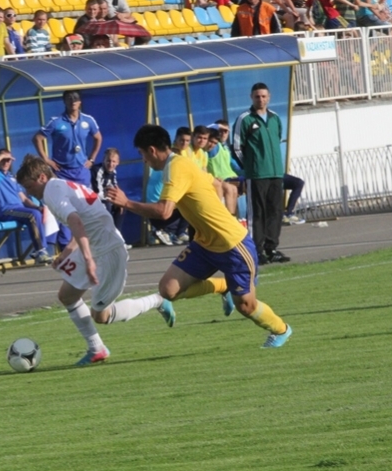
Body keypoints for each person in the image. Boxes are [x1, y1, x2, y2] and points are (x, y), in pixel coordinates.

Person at [107, 124, 292, 349]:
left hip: (232, 244)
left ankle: (281, 329)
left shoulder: (177, 167)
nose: (144, 160)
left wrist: (126, 203)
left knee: (246, 306)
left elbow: (164, 211)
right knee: (168, 289)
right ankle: (223, 286)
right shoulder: (179, 164)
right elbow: (211, 186)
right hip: (205, 244)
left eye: (142, 154)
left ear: (152, 150)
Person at [16, 155, 177, 366]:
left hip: (108, 251)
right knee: (67, 296)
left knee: (101, 316)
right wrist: (67, 252)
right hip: (94, 246)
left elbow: (75, 221)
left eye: (29, 186)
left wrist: (87, 258)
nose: (28, 192)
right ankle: (97, 349)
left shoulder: (51, 191)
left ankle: (157, 300)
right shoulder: (60, 185)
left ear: (42, 178)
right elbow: (83, 221)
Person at [232, 82, 290, 265]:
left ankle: (271, 248)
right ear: (251, 97)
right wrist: (250, 166)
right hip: (257, 175)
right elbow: (236, 148)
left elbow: (277, 139)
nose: (261, 99)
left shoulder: (275, 118)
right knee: (257, 213)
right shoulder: (245, 119)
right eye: (257, 96)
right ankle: (255, 251)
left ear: (269, 97)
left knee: (275, 211)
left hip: (275, 173)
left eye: (264, 96)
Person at [32, 89, 102, 188]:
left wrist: (91, 159)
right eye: (69, 98)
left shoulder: (88, 120)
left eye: (75, 98)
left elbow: (98, 138)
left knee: (84, 197)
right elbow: (37, 138)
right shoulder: (56, 121)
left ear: (80, 101)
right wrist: (46, 160)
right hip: (62, 171)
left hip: (82, 170)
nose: (73, 101)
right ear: (64, 101)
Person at [0, 149, 51, 264]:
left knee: (42, 212)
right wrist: (1, 156)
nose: (6, 162)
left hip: (19, 210)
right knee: (32, 215)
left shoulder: (12, 177)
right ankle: (40, 250)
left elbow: (24, 199)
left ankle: (45, 248)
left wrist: (37, 207)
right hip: (6, 210)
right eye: (3, 160)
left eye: (8, 160)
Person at [90, 147, 125, 236]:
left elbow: (115, 187)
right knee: (107, 205)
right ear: (104, 160)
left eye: (113, 161)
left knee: (122, 206)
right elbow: (97, 192)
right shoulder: (97, 170)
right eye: (108, 161)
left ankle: (117, 235)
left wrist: (119, 201)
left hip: (106, 198)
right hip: (92, 199)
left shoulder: (114, 172)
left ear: (118, 162)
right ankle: (106, 235)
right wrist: (111, 199)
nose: (111, 164)